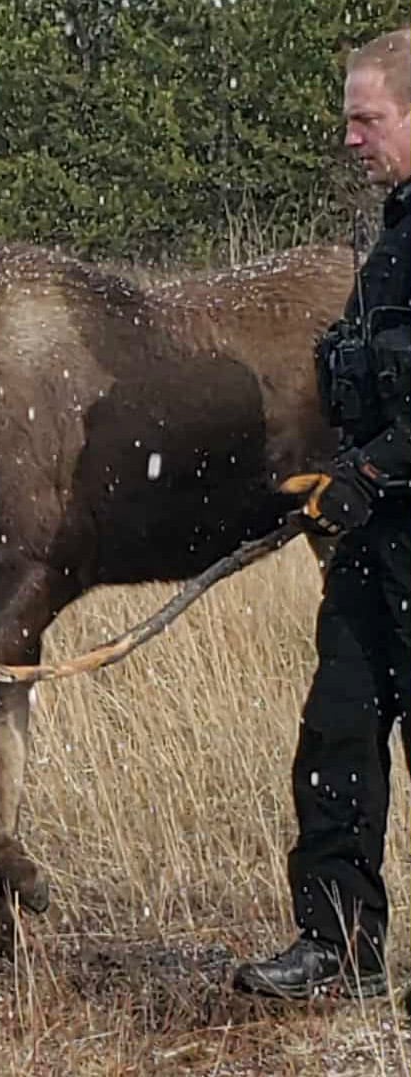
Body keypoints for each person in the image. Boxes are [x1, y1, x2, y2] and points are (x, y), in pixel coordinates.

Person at [234, 28, 411, 1001]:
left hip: (397, 519)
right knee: (338, 741)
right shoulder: (394, 237)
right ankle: (338, 950)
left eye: (366, 117)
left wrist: (372, 473)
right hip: (370, 542)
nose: (350, 137)